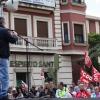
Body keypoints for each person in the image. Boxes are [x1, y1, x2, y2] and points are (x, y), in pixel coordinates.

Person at [0, 17, 18, 100]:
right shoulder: (4, 31)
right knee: (5, 77)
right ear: (3, 22)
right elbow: (13, 40)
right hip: (2, 56)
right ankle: (3, 95)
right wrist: (14, 35)